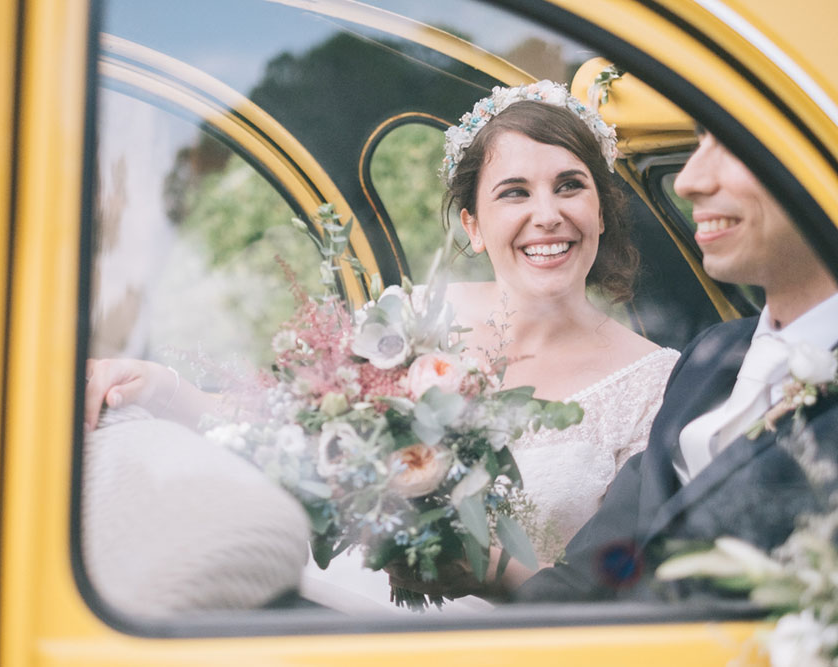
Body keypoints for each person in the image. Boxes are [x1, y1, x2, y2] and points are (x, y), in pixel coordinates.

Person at [86, 81, 681, 602]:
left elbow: (615, 587)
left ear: (601, 211)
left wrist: (490, 569)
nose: (547, 214)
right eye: (515, 192)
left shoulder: (658, 386)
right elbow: (286, 433)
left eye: (570, 186)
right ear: (472, 225)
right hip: (325, 611)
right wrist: (160, 389)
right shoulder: (416, 315)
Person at [513, 128, 838, 602]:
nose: (688, 180)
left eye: (734, 142)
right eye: (698, 144)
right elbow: (594, 568)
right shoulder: (711, 355)